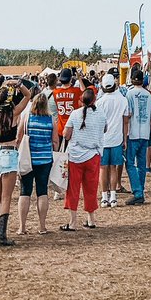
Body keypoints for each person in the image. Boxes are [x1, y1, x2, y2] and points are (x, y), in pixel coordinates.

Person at [0, 82, 31, 247]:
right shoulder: (13, 113)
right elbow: (28, 96)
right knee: (6, 198)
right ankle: (1, 235)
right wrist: (18, 84)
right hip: (9, 154)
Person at [61, 87, 106, 231]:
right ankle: (91, 219)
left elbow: (66, 134)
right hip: (93, 155)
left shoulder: (75, 114)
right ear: (94, 100)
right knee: (91, 188)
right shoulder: (100, 115)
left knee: (73, 189)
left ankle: (72, 222)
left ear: (81, 100)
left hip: (75, 155)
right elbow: (105, 129)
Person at [17, 89, 55, 235]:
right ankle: (42, 226)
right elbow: (55, 141)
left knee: (25, 192)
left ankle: (22, 226)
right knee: (42, 191)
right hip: (45, 159)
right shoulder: (51, 119)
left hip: (28, 158)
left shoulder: (26, 116)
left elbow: (19, 136)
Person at [96, 74, 130, 209]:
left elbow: (98, 123)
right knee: (114, 168)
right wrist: (125, 138)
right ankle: (114, 196)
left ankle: (104, 197)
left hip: (103, 140)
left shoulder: (100, 102)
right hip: (117, 138)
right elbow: (125, 121)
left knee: (103, 169)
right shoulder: (122, 100)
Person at [124, 67, 151, 206]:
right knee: (141, 164)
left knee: (130, 163)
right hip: (145, 132)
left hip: (133, 132)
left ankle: (138, 192)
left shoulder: (129, 94)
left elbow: (128, 113)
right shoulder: (148, 95)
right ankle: (140, 188)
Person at [51, 70, 82, 152]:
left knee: (61, 156)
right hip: (73, 128)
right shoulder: (76, 91)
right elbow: (85, 93)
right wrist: (79, 78)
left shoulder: (55, 92)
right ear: (71, 79)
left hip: (61, 128)